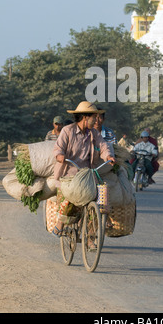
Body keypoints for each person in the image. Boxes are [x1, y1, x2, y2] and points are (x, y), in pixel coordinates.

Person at [52, 101, 116, 237]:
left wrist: (109, 156)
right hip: (69, 175)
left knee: (100, 197)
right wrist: (60, 156)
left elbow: (103, 145)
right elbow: (58, 148)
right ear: (85, 117)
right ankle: (60, 223)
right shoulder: (67, 131)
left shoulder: (93, 133)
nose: (96, 120)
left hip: (87, 175)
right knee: (70, 197)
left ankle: (92, 235)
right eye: (94, 117)